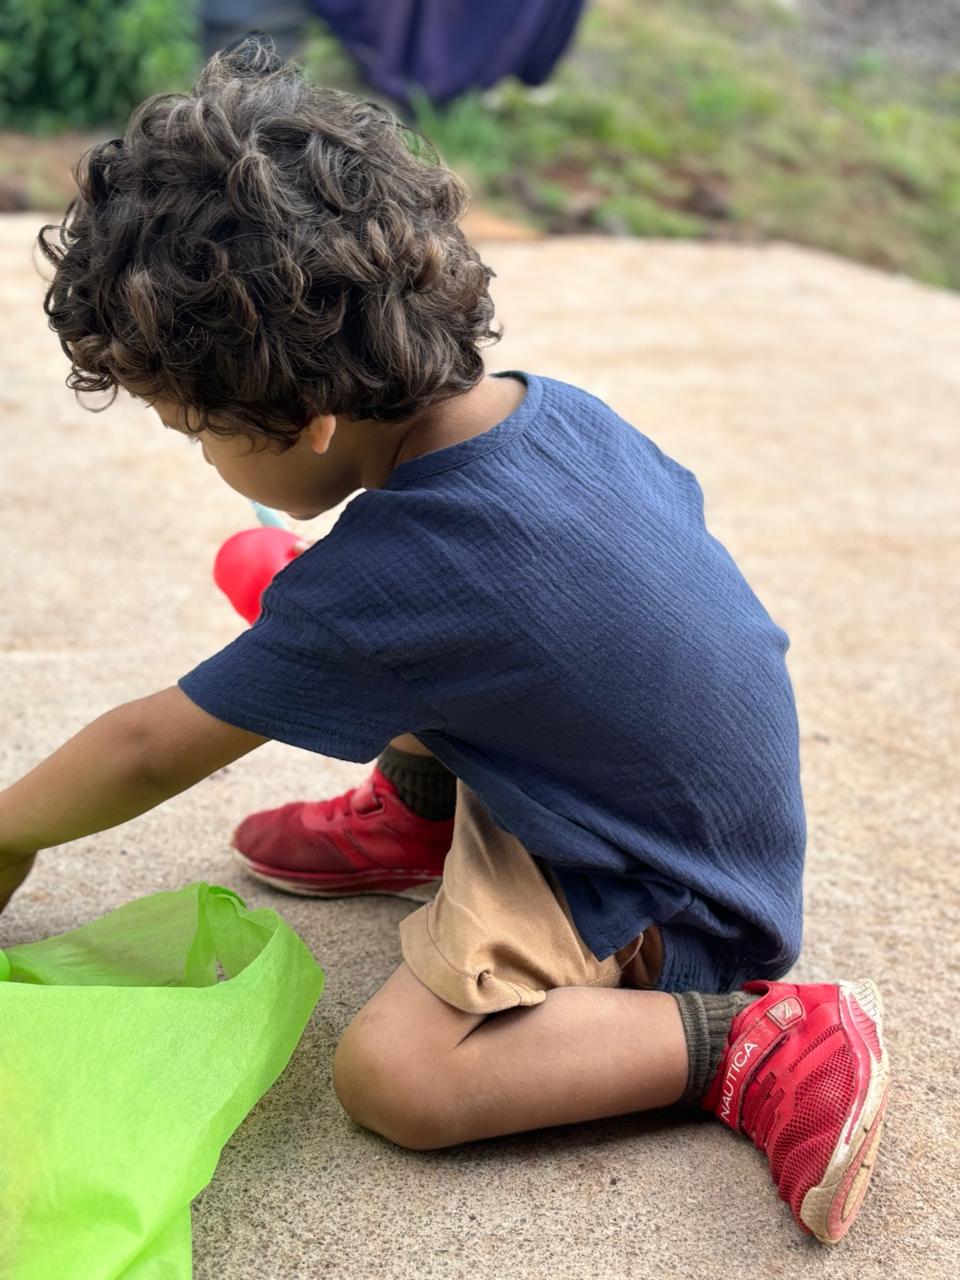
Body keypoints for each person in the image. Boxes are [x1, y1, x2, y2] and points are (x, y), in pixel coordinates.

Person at [1, 35, 888, 1245]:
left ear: (310, 423)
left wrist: (10, 828)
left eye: (194, 429)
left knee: (399, 1078)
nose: (201, 456)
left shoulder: (404, 577)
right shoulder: (545, 409)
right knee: (346, 627)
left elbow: (156, 743)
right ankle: (423, 811)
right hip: (653, 782)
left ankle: (753, 1040)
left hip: (662, 890)